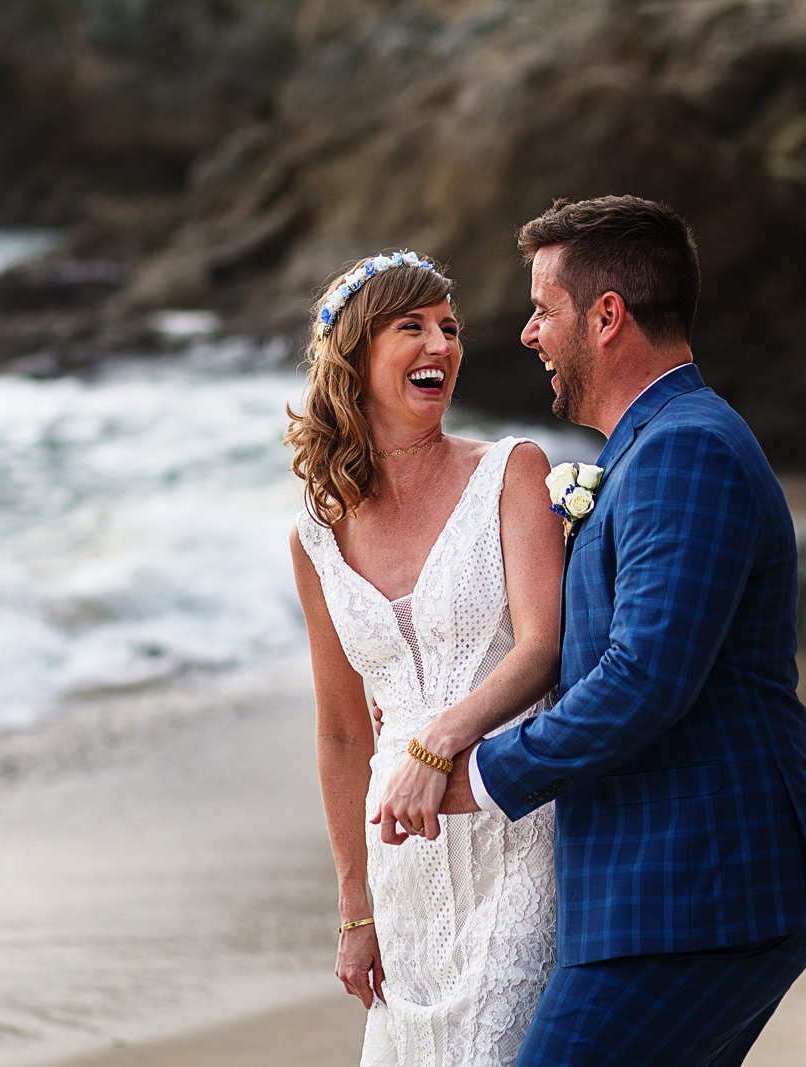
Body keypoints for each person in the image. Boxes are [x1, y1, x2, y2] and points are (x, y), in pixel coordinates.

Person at [374, 196, 806, 1066]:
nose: (526, 334)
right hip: (674, 889)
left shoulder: (685, 448)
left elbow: (645, 677)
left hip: (700, 889)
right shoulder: (643, 451)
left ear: (606, 316)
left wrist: (474, 777)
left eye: (543, 309)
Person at [287, 249, 568, 1064]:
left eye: (449, 328)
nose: (440, 345)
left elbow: (542, 647)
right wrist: (355, 911)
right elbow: (342, 732)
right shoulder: (316, 535)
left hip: (514, 820)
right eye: (411, 326)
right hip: (401, 852)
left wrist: (435, 741)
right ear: (358, 356)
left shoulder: (513, 470)